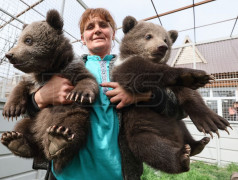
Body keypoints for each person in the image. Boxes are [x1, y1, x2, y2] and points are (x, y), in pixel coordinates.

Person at [28, 8, 182, 180]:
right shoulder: (63, 67)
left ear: (113, 33)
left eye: (103, 25)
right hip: (65, 174)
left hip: (120, 174)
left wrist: (142, 96)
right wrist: (39, 97)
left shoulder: (136, 65)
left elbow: (178, 107)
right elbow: (27, 110)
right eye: (89, 27)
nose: (97, 30)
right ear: (82, 38)